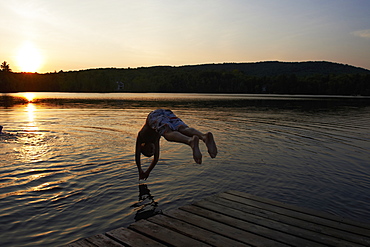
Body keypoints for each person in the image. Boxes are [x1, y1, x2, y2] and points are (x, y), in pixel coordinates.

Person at [135, 109, 217, 180]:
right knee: (182, 128)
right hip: (167, 113)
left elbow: (137, 156)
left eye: (149, 150)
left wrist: (140, 171)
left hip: (154, 116)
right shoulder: (155, 141)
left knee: (167, 133)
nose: (152, 150)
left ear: (143, 146)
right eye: (152, 151)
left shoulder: (141, 137)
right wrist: (148, 172)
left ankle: (190, 141)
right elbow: (156, 159)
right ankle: (204, 136)